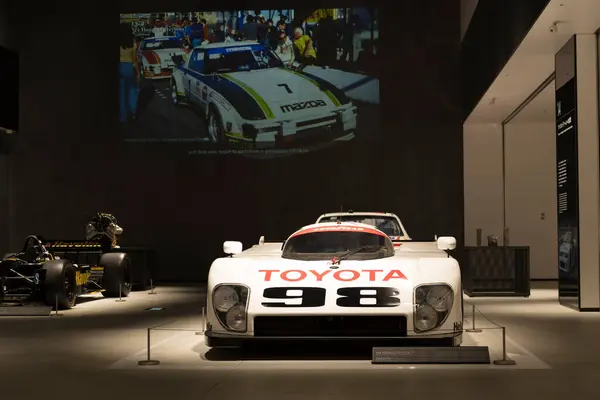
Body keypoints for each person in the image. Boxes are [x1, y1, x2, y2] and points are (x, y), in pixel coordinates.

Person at [119, 23, 139, 123]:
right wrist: (138, 73)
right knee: (131, 91)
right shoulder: (132, 42)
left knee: (121, 93)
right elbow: (134, 60)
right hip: (129, 67)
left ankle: (122, 116)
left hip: (119, 67)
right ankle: (133, 112)